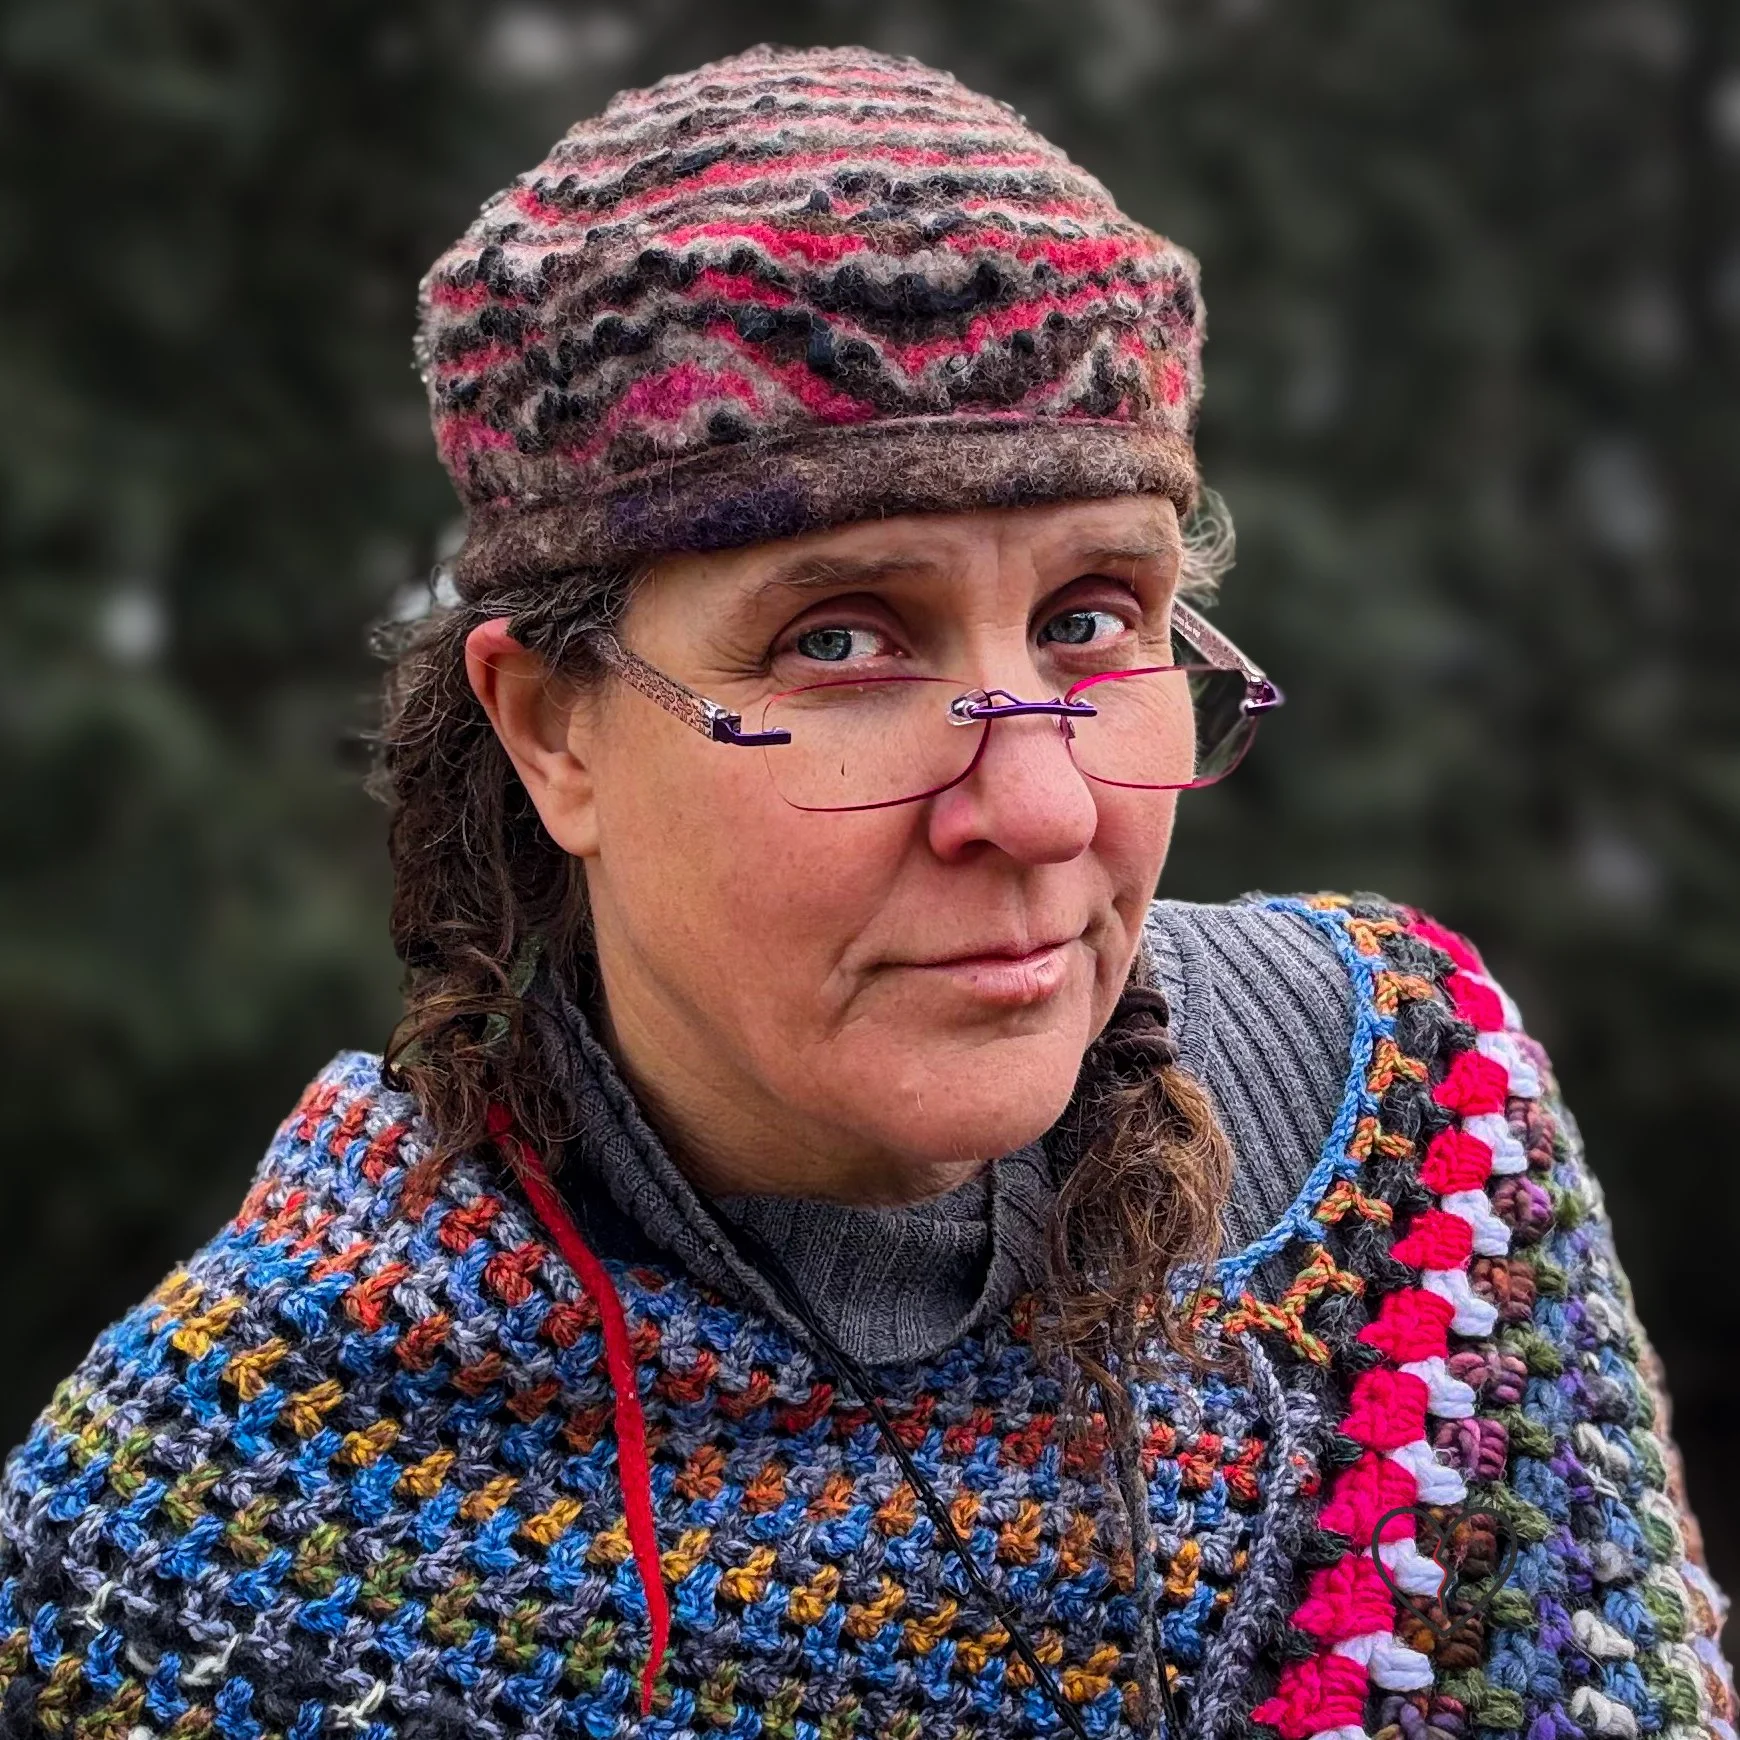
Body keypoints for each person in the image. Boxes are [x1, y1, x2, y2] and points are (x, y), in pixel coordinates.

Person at [0, 42, 1731, 1740]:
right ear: (551, 734)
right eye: (842, 642)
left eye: (1092, 619)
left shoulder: (1407, 1142)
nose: (1044, 806)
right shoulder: (221, 1544)